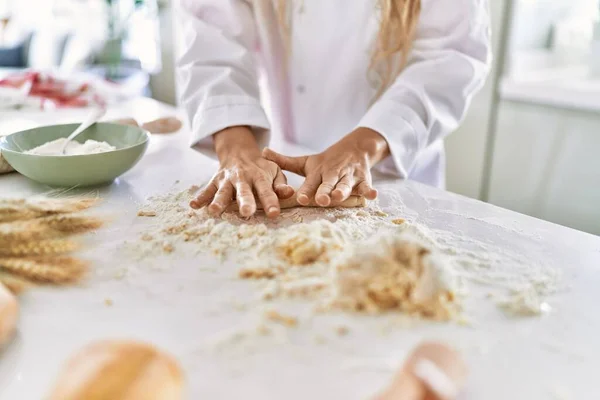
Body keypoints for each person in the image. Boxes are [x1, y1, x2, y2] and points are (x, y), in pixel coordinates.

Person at [179, 0, 491, 218]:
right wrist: (236, 148)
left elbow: (451, 58)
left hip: (395, 167)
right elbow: (211, 36)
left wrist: (365, 145)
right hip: (283, 170)